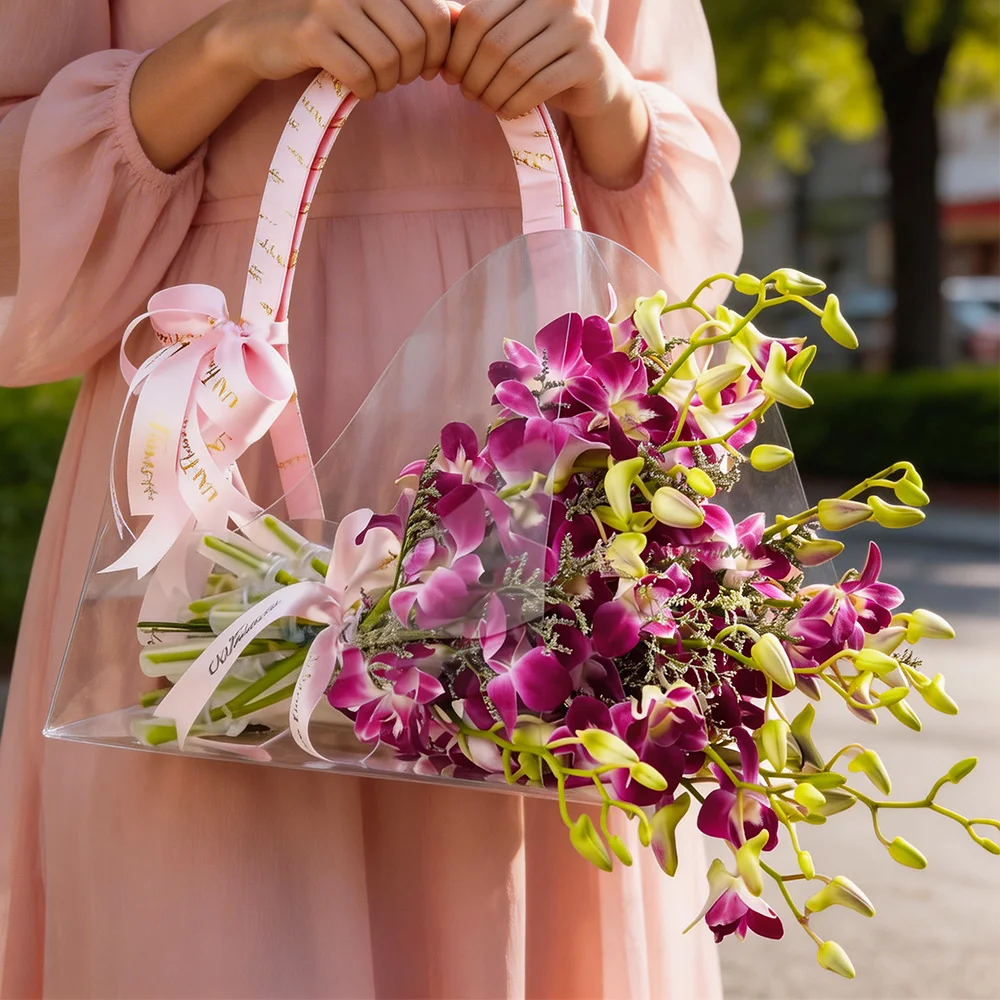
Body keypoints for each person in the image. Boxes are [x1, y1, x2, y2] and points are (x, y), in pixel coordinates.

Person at [0, 1, 741, 996]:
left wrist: (605, 99)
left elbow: (684, 244)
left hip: (529, 452)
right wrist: (223, 48)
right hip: (225, 436)